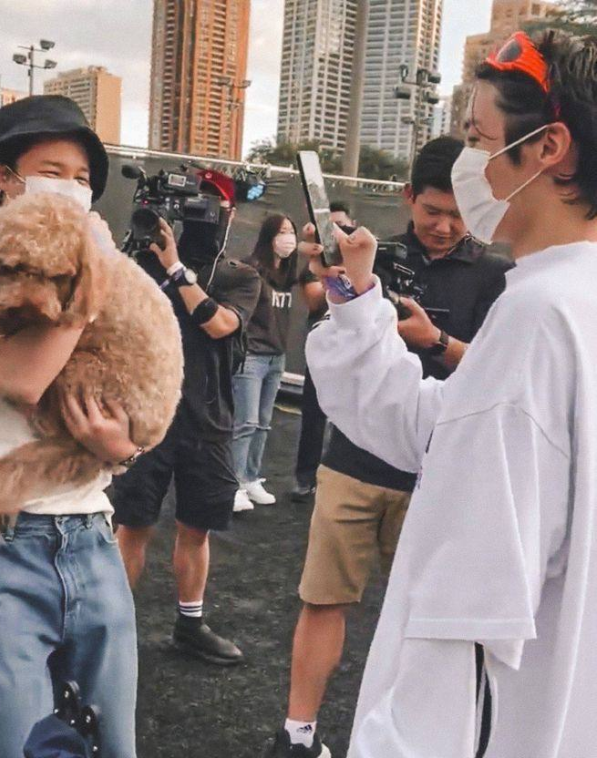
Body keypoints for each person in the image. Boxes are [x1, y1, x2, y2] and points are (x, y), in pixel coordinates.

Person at [307, 29, 597, 758]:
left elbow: (470, 612)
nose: (469, 163)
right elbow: (435, 428)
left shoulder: (540, 316)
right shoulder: (569, 299)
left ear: (549, 148)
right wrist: (357, 298)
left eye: (477, 138)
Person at [265, 137, 512, 757]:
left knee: (427, 622)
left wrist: (436, 343)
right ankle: (298, 735)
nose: (445, 226)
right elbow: (324, 319)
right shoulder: (373, 256)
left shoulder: (497, 276)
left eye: (458, 214)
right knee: (323, 600)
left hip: (439, 472)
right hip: (352, 461)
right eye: (433, 211)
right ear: (408, 198)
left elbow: (504, 376)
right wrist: (336, 284)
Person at [0, 95, 138, 757]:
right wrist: (93, 276)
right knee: (9, 745)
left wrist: (123, 450)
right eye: (53, 171)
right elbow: (23, 378)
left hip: (92, 536)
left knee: (111, 744)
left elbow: (128, 398)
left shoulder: (105, 283)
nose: (70, 189)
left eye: (83, 178)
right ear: (4, 177)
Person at [112, 174, 261, 664]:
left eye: (213, 205)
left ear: (230, 214)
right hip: (148, 416)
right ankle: (110, 628)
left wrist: (176, 268)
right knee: (133, 525)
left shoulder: (240, 275)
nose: (203, 214)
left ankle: (190, 625)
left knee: (196, 527)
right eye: (196, 203)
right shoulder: (143, 266)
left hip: (207, 418)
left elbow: (218, 325)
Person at [232, 213, 298, 512]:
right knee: (245, 422)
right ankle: (233, 483)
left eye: (291, 232)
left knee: (262, 423)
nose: (288, 238)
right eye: (282, 232)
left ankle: (250, 477)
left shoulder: (288, 274)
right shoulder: (252, 270)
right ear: (269, 236)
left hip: (276, 356)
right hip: (253, 355)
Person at [291, 201, 354, 503]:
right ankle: (306, 479)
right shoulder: (314, 266)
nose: (337, 232)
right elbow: (315, 299)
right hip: (323, 353)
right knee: (314, 419)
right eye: (331, 227)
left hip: (353, 353)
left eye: (343, 226)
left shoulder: (363, 261)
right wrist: (331, 275)